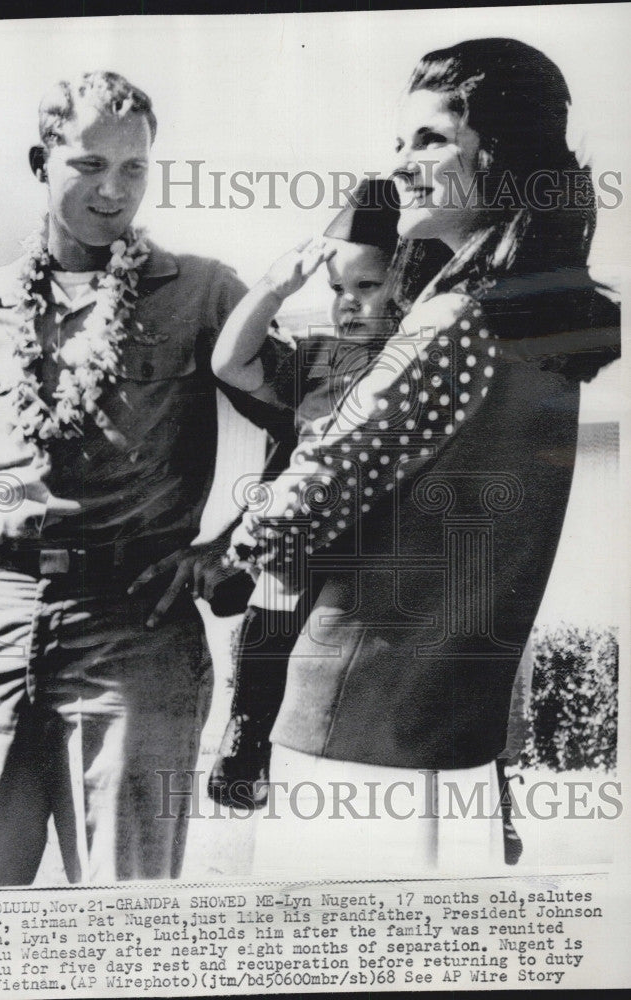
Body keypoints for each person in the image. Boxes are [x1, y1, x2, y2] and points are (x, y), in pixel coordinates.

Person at [223, 38, 620, 876]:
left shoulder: (455, 321)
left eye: (429, 139)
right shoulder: (548, 325)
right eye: (401, 141)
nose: (399, 164)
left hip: (353, 725)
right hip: (459, 723)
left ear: (499, 153)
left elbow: (309, 498)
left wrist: (226, 548)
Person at [0, 70, 274, 887]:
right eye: (87, 165)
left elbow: (313, 425)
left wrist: (233, 548)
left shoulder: (206, 294)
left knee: (124, 909)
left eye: (134, 167)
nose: (114, 190)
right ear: (41, 162)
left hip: (133, 630)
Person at [207, 178, 448, 809]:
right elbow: (228, 365)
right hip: (307, 539)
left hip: (385, 547)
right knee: (277, 586)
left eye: (367, 286)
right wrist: (273, 287)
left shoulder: (425, 359)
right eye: (337, 288)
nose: (347, 303)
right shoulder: (319, 362)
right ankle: (247, 734)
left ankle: (241, 571)